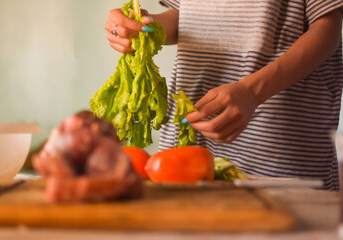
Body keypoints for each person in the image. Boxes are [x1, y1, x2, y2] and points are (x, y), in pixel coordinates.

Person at [105, 0, 343, 190]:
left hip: (277, 144)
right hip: (191, 143)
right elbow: (181, 17)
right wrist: (141, 28)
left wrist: (252, 92)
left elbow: (327, 29)